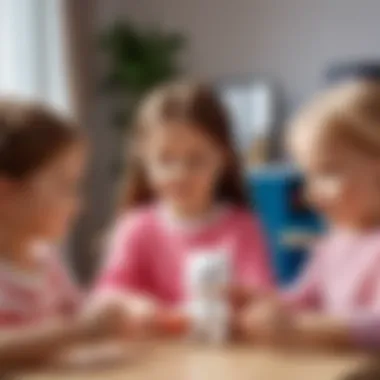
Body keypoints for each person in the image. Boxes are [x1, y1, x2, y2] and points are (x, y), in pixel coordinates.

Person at [95, 81, 273, 334]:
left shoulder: (243, 228)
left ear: (223, 158)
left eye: (196, 159)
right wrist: (135, 307)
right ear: (144, 161)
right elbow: (106, 295)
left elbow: (261, 299)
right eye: (166, 159)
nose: (180, 174)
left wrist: (244, 303)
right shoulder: (135, 228)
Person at [238, 80, 380, 350]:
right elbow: (304, 299)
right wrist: (258, 301)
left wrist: (300, 328)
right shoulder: (334, 242)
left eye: (327, 172)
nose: (310, 194)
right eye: (308, 175)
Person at [0, 100, 130, 368]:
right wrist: (79, 331)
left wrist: (113, 311)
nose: (78, 203)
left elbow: (82, 313)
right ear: (5, 192)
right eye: (66, 185)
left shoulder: (47, 262)